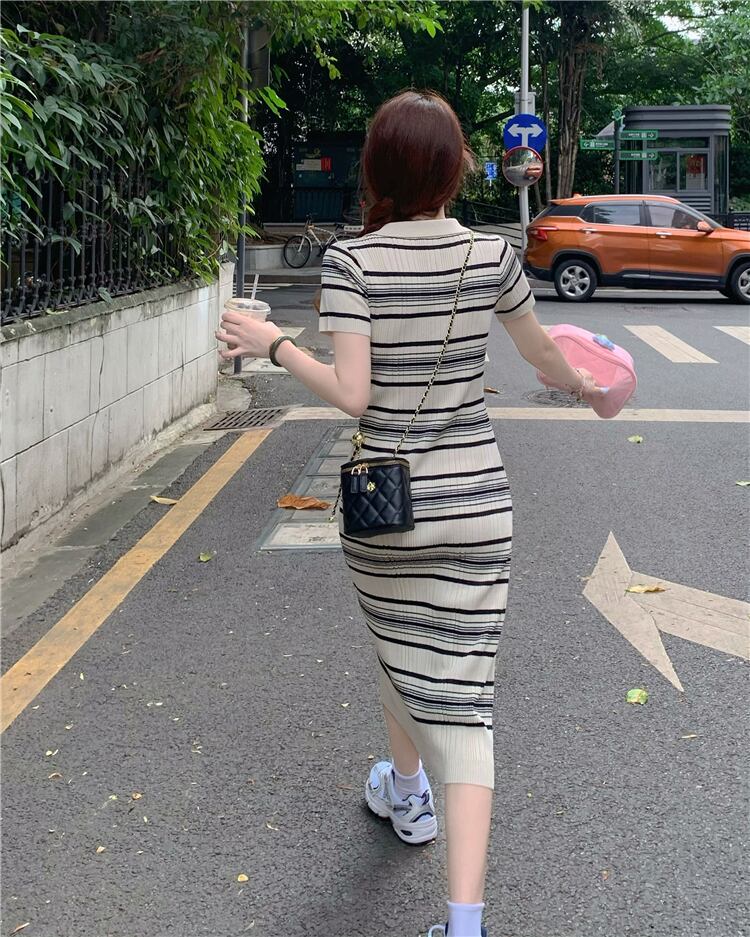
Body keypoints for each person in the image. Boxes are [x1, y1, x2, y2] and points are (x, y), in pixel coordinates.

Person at [216, 90, 599, 937]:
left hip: (387, 513)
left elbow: (353, 393)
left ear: (377, 168)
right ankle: (414, 803)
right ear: (455, 168)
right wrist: (594, 388)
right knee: (455, 684)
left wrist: (272, 344)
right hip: (477, 505)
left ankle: (452, 890)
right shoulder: (493, 255)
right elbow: (545, 356)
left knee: (411, 656)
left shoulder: (353, 262)